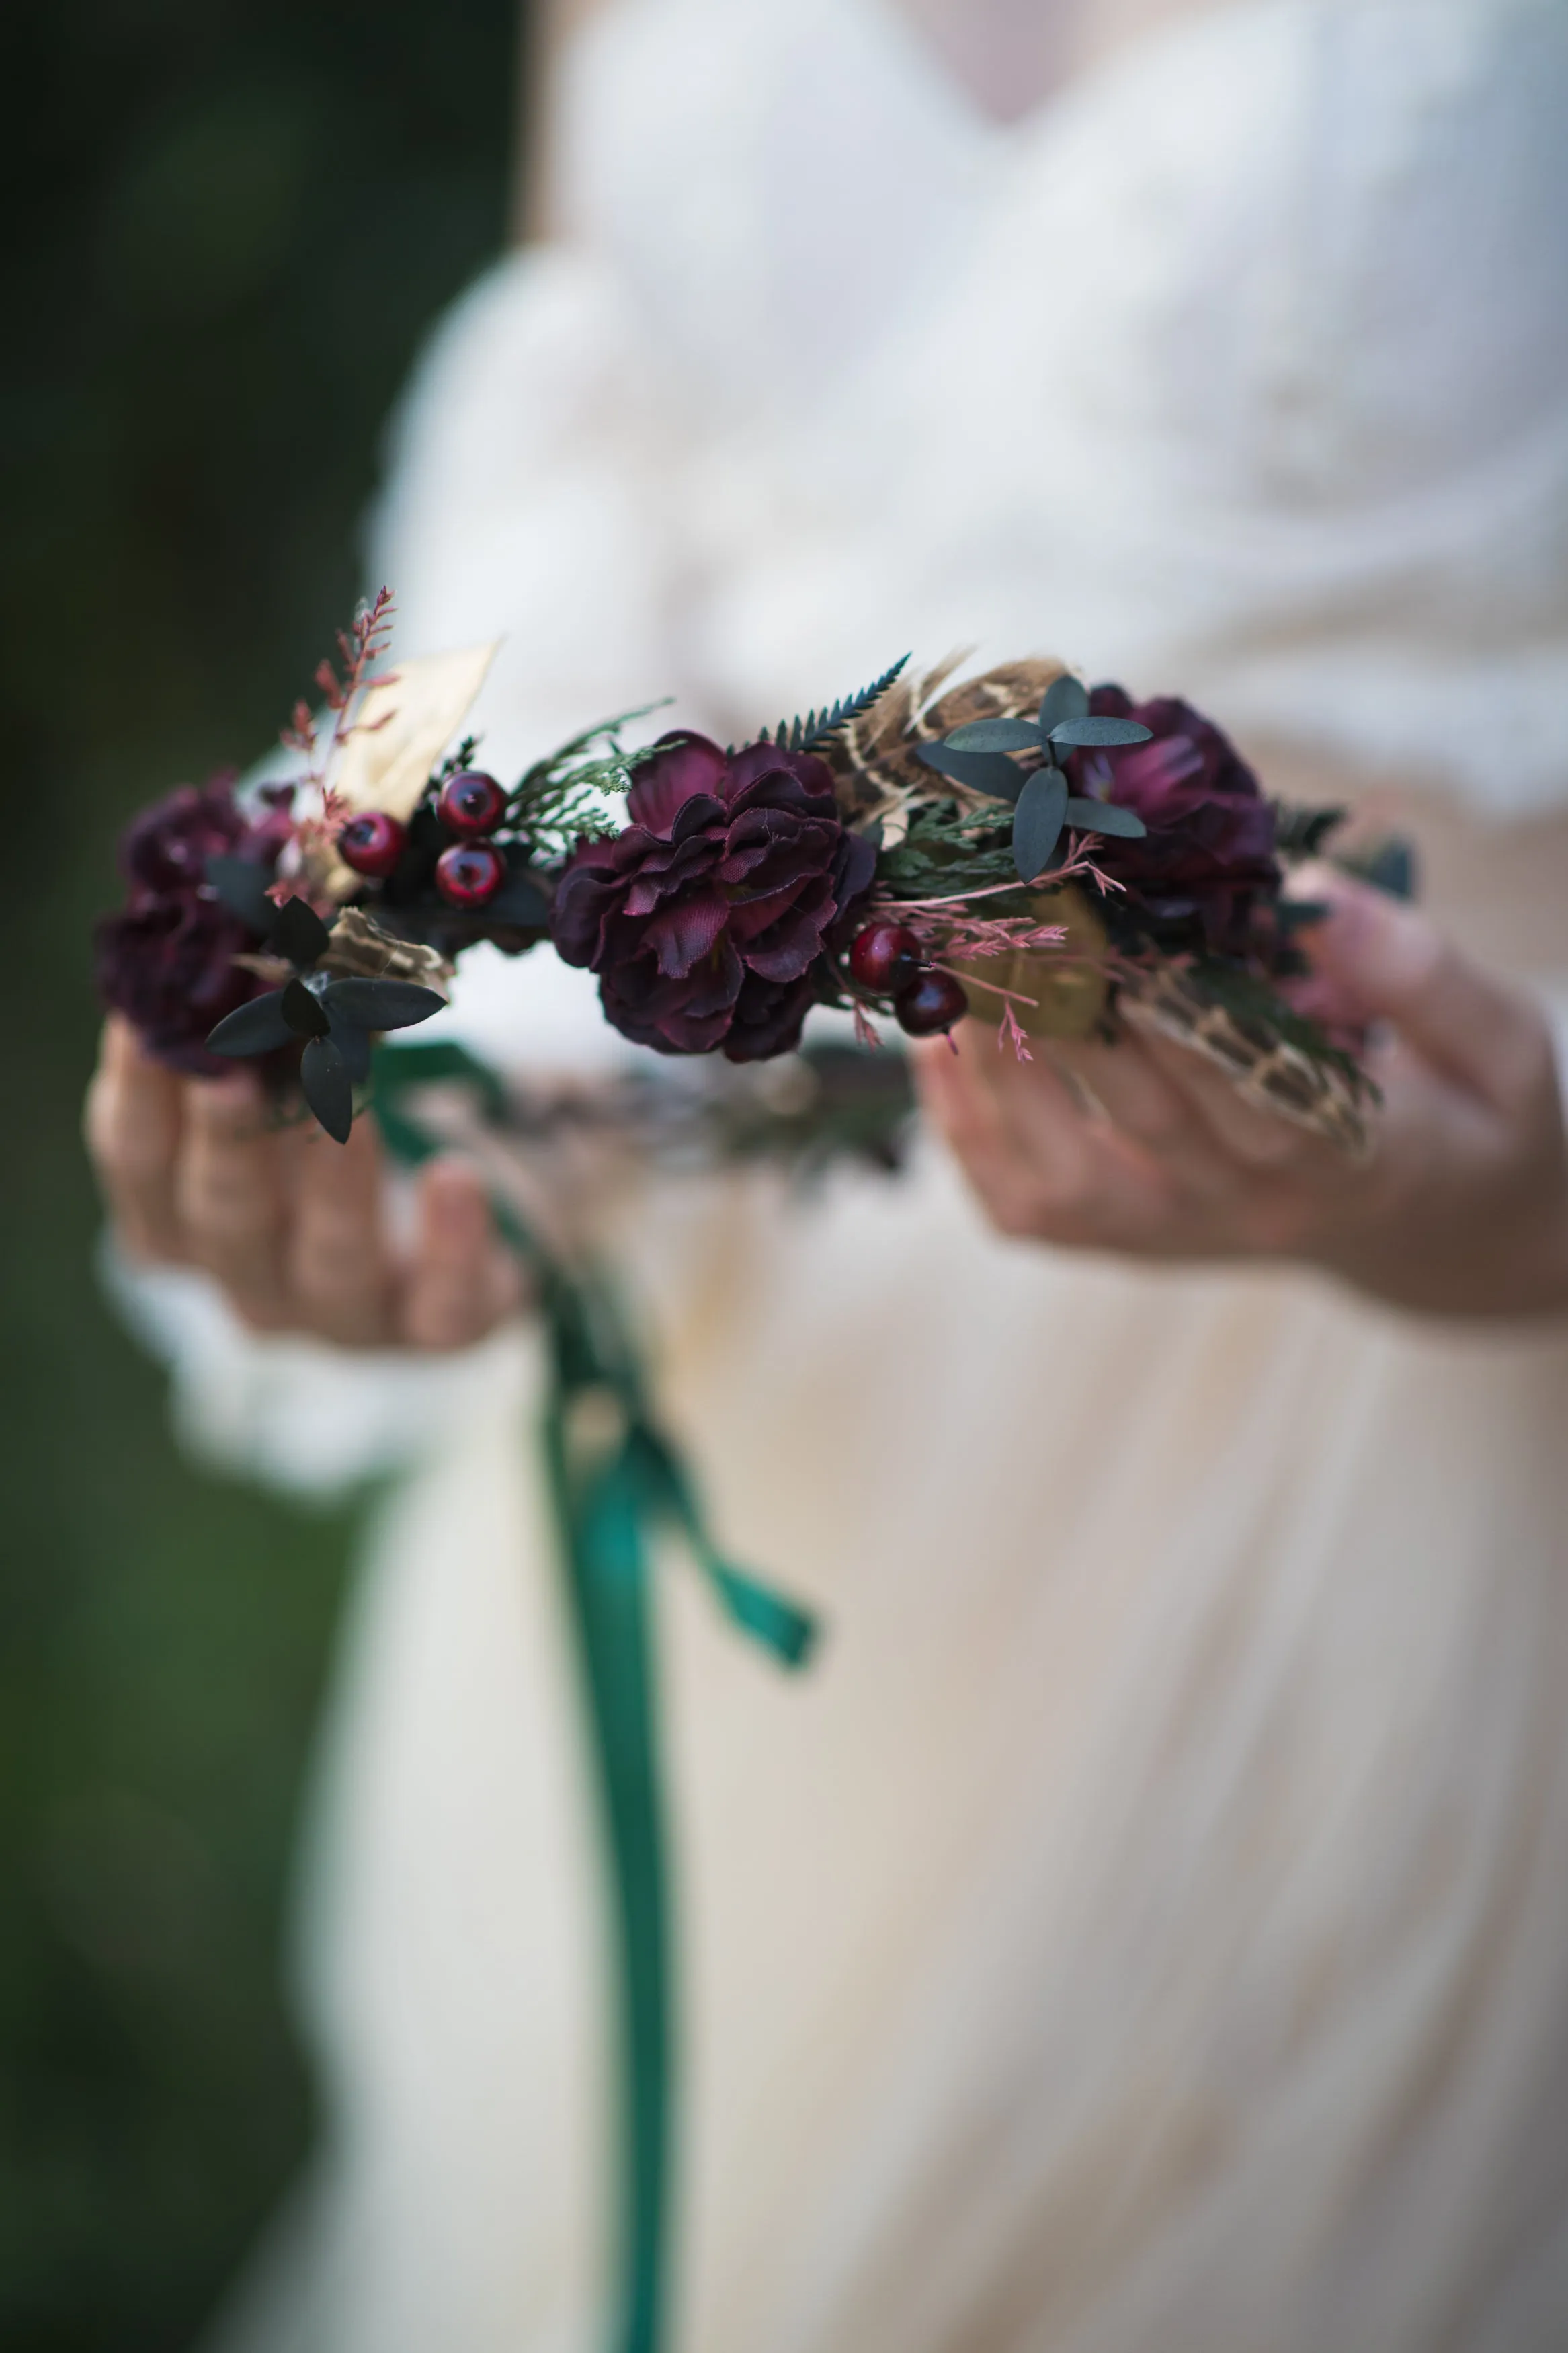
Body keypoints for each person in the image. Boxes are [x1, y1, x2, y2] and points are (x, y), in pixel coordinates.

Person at [86, 1, 1568, 2346]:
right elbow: (577, 542)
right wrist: (419, 1080)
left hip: (1408, 1568)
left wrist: (1509, 1208)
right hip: (787, 1474)